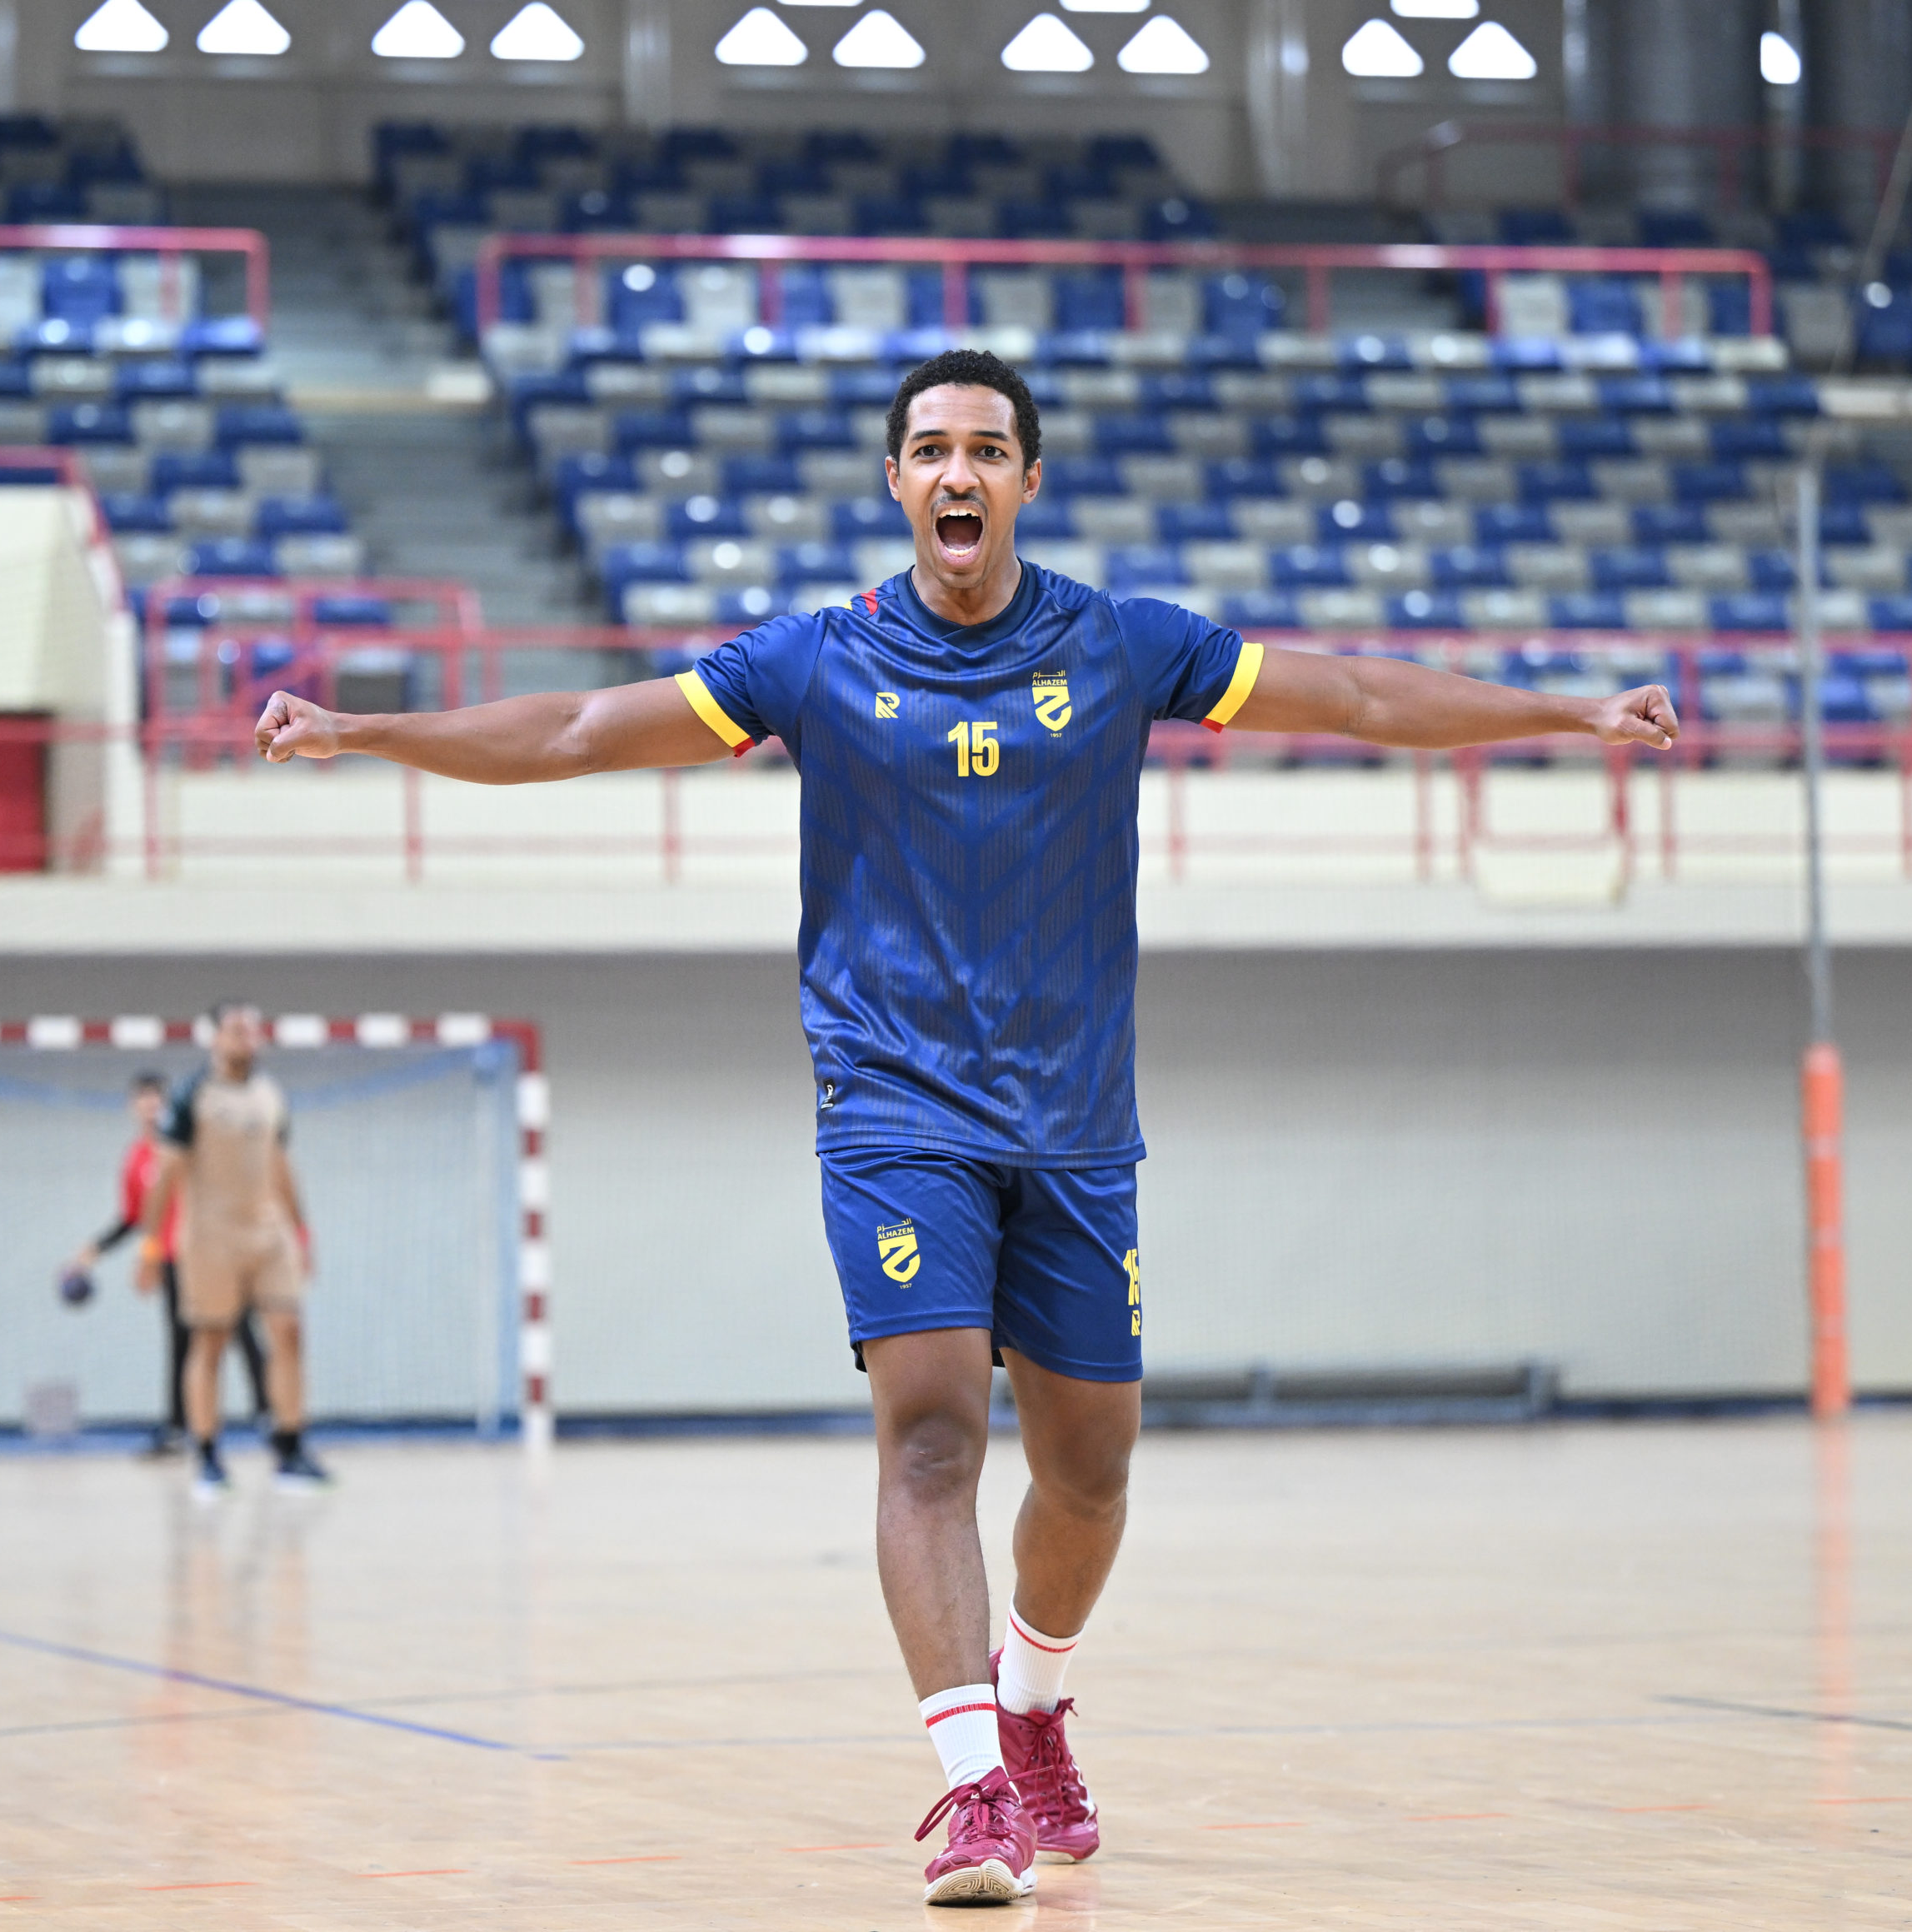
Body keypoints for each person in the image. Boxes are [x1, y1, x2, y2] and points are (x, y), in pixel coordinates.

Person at [254, 347, 1680, 1906]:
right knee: (931, 1433)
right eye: (931, 448)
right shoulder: (818, 659)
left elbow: (1350, 694)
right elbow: (585, 726)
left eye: (987, 449)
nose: (958, 472)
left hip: (1074, 1119)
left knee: (1091, 1469)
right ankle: (975, 1785)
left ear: (1026, 480)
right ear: (896, 481)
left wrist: (1568, 712)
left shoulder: (1121, 643)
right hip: (893, 1102)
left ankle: (1035, 1701)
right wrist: (365, 730)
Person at [136, 1002, 328, 1497]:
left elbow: (280, 1163)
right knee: (211, 1344)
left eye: (253, 1029)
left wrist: (301, 1230)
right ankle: (206, 1457)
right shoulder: (191, 1095)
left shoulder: (270, 1094)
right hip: (210, 1239)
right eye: (237, 1029)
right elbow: (166, 1173)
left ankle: (290, 1450)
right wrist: (151, 1246)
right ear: (215, 1038)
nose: (247, 1037)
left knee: (288, 1333)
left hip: (268, 1234)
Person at [70, 1071, 269, 1458]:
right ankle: (178, 1429)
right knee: (181, 1343)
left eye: (157, 1100)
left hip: (211, 1251)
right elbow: (135, 1217)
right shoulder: (136, 1159)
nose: (150, 1108)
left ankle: (271, 1416)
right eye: (143, 1100)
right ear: (133, 1108)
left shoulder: (190, 1146)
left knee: (242, 1330)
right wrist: (97, 1248)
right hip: (172, 1258)